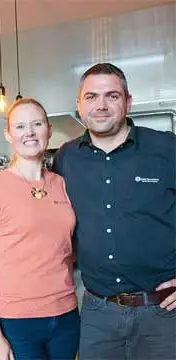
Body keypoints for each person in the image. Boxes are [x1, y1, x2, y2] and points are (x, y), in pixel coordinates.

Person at [52, 63, 176, 360]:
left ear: (128, 101)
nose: (102, 106)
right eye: (91, 97)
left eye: (112, 96)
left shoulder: (166, 148)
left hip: (162, 311)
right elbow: (40, 204)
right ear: (79, 105)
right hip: (97, 312)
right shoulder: (66, 157)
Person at [0, 98, 80, 360]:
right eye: (19, 126)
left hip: (66, 316)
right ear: (9, 135)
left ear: (48, 130)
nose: (29, 132)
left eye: (37, 124)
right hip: (16, 321)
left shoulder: (61, 184)